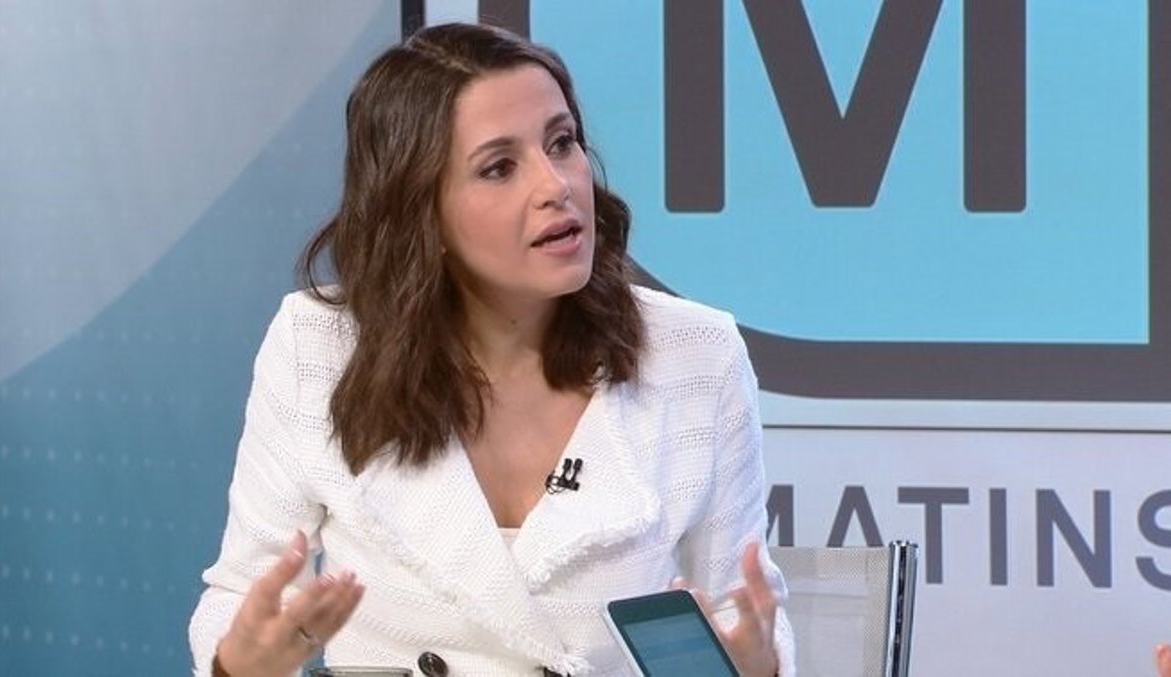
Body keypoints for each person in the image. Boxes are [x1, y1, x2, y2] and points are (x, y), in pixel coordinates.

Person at [188, 22, 794, 676]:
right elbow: (238, 595)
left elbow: (743, 614)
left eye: (562, 143)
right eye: (499, 167)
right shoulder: (319, 344)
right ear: (421, 209)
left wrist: (756, 666)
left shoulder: (696, 355)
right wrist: (239, 663)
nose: (556, 185)